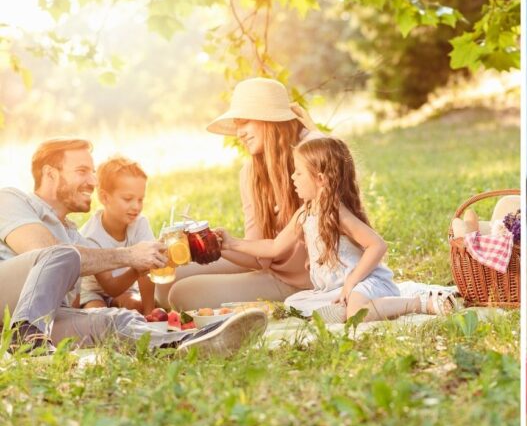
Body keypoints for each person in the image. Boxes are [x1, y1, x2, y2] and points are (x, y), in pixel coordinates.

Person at [0, 137, 267, 355]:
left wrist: (147, 258)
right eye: (82, 171)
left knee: (115, 321)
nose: (93, 181)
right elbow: (43, 251)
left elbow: (98, 278)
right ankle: (27, 337)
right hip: (9, 307)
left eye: (93, 172)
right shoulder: (11, 200)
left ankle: (196, 340)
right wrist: (129, 255)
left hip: (33, 324)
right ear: (49, 174)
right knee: (60, 255)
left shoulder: (73, 235)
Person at [216, 137, 458, 322]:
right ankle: (354, 305)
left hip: (365, 281)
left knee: (356, 312)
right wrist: (232, 243)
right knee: (295, 303)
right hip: (336, 287)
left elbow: (377, 245)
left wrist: (352, 282)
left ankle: (419, 303)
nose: (292, 177)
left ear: (320, 179)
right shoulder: (305, 213)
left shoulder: (336, 213)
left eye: (299, 172)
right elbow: (274, 247)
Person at [156, 78, 322, 311]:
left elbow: (338, 167)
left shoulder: (312, 157)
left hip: (303, 281)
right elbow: (256, 256)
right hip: (270, 265)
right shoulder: (251, 173)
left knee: (182, 294)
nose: (239, 133)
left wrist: (315, 133)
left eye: (245, 122)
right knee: (167, 281)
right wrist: (219, 245)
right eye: (237, 125)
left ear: (270, 118)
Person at [78, 156, 156, 314]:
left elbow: (147, 273)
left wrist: (150, 313)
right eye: (128, 199)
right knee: (100, 317)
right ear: (104, 197)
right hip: (93, 292)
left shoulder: (139, 224)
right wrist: (136, 269)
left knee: (137, 308)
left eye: (140, 199)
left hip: (125, 288)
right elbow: (110, 287)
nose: (136, 206)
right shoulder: (90, 237)